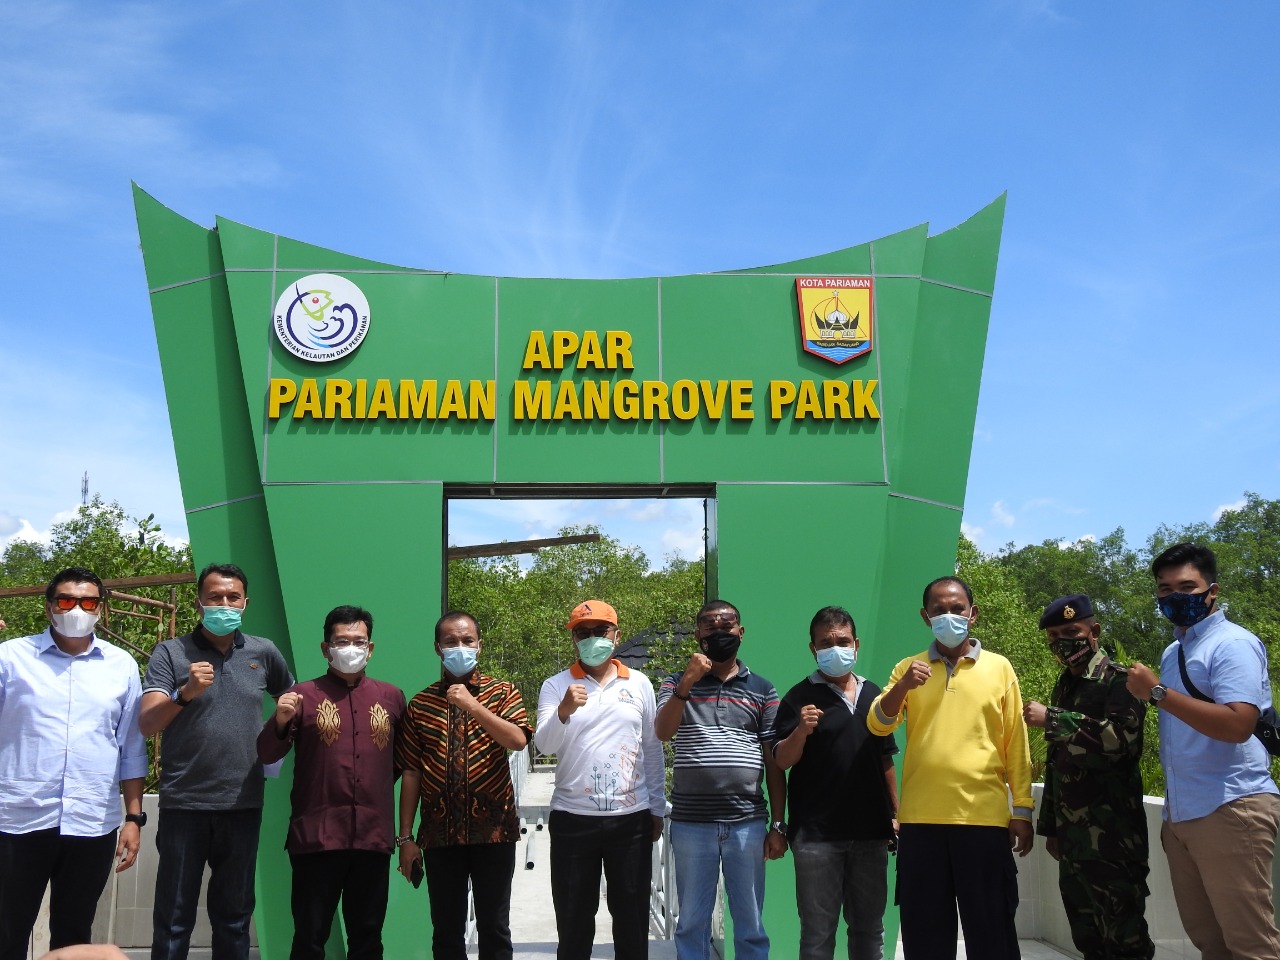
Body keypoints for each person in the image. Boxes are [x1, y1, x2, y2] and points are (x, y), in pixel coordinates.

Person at [1126, 543, 1280, 959]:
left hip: (1231, 805)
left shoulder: (1233, 644)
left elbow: (1238, 724)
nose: (1175, 597)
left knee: (1251, 944)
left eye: (1186, 587)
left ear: (1212, 591)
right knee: (1209, 941)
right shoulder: (1174, 651)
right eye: (1165, 589)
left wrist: (1157, 692)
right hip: (1183, 814)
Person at [867, 575, 1033, 960]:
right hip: (921, 824)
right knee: (925, 937)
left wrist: (1022, 810)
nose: (948, 616)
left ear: (973, 614)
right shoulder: (908, 668)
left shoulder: (999, 668)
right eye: (938, 610)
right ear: (925, 617)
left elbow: (1015, 743)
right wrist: (903, 686)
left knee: (992, 934)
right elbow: (877, 724)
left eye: (957, 609)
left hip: (984, 821)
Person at [139, 562, 294, 960]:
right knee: (173, 919)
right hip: (184, 805)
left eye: (232, 597)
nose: (224, 604)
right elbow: (147, 723)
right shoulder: (171, 652)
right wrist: (185, 692)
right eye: (215, 597)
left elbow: (291, 701)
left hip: (242, 804)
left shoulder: (263, 651)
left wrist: (283, 721)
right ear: (199, 603)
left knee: (234, 918)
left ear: (245, 603)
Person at [0, 567, 148, 960]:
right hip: (18, 818)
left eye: (88, 602)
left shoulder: (121, 665)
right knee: (7, 931)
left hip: (91, 821)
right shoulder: (10, 658)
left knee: (74, 936)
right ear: (49, 607)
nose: (77, 610)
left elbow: (131, 746)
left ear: (101, 609)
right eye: (66, 601)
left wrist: (133, 818)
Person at [256, 605, 405, 960]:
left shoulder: (391, 698)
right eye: (341, 641)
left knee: (368, 939)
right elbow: (266, 753)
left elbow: (399, 762)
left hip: (372, 837)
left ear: (371, 648)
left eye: (359, 641)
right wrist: (280, 720)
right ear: (325, 648)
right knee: (309, 939)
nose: (351, 648)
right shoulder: (302, 697)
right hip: (317, 839)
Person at [534, 600, 667, 960]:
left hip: (631, 819)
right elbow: (543, 745)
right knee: (574, 922)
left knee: (632, 920)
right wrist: (563, 711)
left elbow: (652, 747)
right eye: (583, 632)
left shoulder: (639, 683)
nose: (592, 638)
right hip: (573, 819)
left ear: (616, 635)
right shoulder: (556, 685)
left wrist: (657, 807)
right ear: (574, 638)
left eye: (600, 630)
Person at [1023, 594, 1153, 960]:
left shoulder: (1120, 681)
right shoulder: (1066, 684)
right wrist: (1051, 827)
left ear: (1093, 631)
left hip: (1114, 839)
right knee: (1088, 940)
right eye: (1054, 637)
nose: (1062, 643)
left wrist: (1052, 718)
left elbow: (1122, 739)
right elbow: (1058, 761)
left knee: (1125, 940)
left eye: (1071, 632)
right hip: (1074, 839)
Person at [395, 611, 531, 960]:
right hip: (440, 834)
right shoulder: (421, 704)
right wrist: (406, 838)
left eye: (467, 640)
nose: (460, 647)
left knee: (494, 929)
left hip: (494, 832)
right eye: (451, 641)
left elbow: (517, 740)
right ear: (438, 648)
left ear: (479, 645)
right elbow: (411, 772)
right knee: (446, 933)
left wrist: (472, 705)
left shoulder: (503, 693)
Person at [655, 600, 785, 960]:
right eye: (709, 627)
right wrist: (688, 681)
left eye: (726, 627)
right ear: (698, 634)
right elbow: (663, 732)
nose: (718, 633)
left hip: (747, 822)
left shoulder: (762, 688)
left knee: (751, 923)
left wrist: (778, 824)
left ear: (740, 633)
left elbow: (774, 761)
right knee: (691, 922)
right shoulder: (675, 682)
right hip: (691, 823)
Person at [772, 605, 899, 960]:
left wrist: (896, 814)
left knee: (869, 932)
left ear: (856, 644)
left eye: (842, 641)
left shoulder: (875, 695)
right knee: (817, 936)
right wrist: (801, 730)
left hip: (871, 834)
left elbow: (885, 759)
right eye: (826, 643)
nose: (835, 649)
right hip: (816, 838)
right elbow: (781, 761)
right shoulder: (798, 698)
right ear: (813, 648)